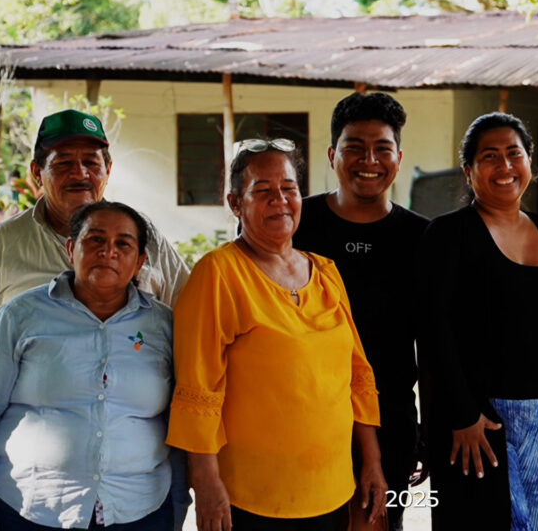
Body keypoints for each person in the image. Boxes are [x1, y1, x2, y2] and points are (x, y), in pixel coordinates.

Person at [0, 109, 192, 530]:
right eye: (63, 162)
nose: (79, 173)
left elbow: (191, 320)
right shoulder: (2, 246)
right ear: (37, 173)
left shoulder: (145, 237)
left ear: (107, 171)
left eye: (91, 162)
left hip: (134, 491)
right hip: (33, 491)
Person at [166, 138, 387, 531]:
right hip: (252, 496)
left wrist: (372, 463)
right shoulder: (219, 274)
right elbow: (198, 388)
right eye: (262, 191)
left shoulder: (326, 272)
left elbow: (357, 376)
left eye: (288, 188)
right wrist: (206, 480)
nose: (279, 200)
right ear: (236, 203)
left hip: (332, 486)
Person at [418, 112, 538, 531]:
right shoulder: (447, 235)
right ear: (468, 170)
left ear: (529, 163)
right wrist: (462, 415)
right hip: (477, 425)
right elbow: (434, 333)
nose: (504, 166)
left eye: (514, 154)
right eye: (490, 156)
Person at [0, 201, 178, 530]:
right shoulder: (21, 315)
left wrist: (180, 504)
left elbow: (182, 420)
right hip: (31, 508)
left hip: (139, 510)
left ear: (140, 261)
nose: (108, 251)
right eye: (95, 239)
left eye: (123, 244)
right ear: (71, 249)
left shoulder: (164, 326)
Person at [292, 92, 429, 531]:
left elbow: (435, 342)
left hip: (391, 419)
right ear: (332, 154)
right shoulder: (295, 224)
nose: (369, 160)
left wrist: (428, 429)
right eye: (354, 148)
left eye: (382, 149)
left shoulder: (422, 238)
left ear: (399, 158)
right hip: (304, 418)